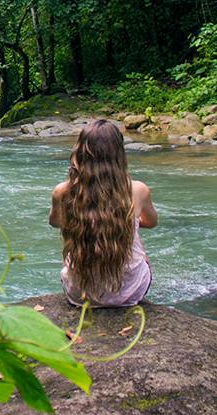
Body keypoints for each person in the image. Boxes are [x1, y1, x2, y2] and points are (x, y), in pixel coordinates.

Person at [49, 119, 158, 307]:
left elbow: (56, 222)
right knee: (136, 239)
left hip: (79, 294)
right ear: (119, 154)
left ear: (80, 152)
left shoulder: (63, 191)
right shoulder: (138, 190)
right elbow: (151, 222)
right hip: (129, 292)